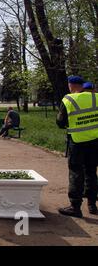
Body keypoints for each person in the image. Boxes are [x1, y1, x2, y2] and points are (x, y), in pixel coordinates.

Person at [57, 75, 98, 217]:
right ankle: (92, 205)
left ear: (71, 85)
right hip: (95, 141)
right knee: (92, 172)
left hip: (77, 141)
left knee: (76, 172)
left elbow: (60, 122)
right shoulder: (96, 97)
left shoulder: (68, 99)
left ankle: (75, 206)